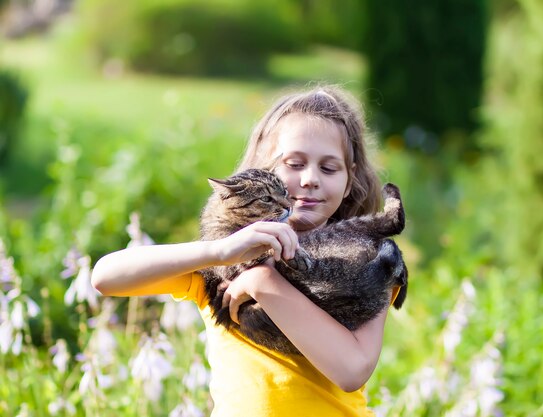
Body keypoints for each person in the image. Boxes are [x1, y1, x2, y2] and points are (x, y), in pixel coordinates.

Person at [92, 85, 401, 416]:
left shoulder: (367, 257)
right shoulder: (221, 262)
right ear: (264, 168)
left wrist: (262, 283)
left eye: (328, 168)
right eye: (294, 163)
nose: (310, 179)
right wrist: (217, 252)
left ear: (349, 178)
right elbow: (105, 277)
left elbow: (352, 370)